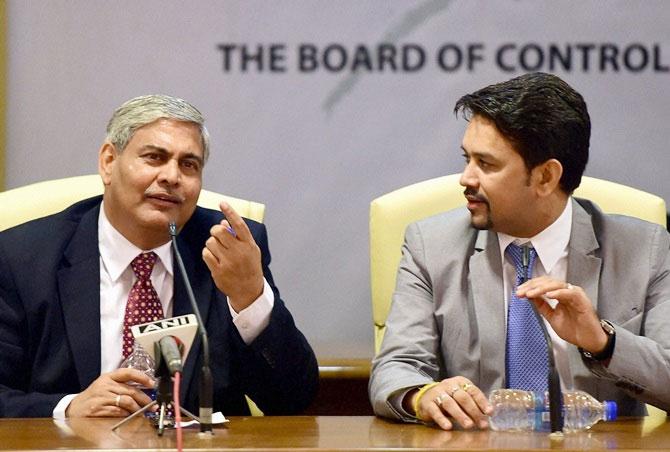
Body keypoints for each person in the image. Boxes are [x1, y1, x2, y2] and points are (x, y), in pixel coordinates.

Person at [369, 72, 670, 430]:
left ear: (545, 177)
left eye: (486, 164)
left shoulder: (644, 250)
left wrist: (604, 343)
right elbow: (395, 367)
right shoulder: (430, 246)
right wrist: (422, 396)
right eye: (467, 159)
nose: (465, 178)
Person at [0, 94, 318, 418]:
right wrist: (68, 409)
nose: (171, 176)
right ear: (109, 162)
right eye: (154, 157)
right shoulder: (22, 259)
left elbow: (293, 399)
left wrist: (250, 297)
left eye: (188, 164)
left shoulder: (228, 251)